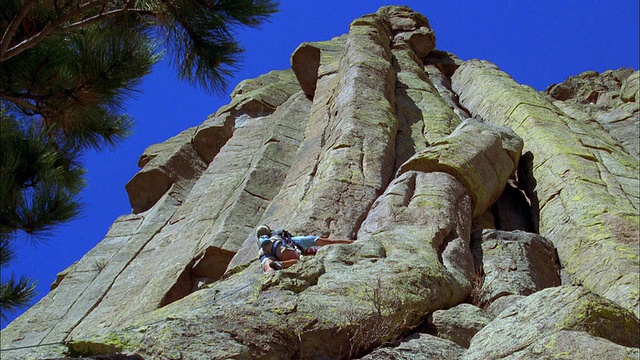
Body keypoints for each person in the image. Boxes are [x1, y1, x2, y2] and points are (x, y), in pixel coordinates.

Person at [256, 225, 354, 272]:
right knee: (297, 261)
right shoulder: (291, 240)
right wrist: (354, 243)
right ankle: (281, 264)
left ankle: (274, 268)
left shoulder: (262, 248)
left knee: (269, 269)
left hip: (265, 253)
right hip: (280, 246)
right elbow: (329, 242)